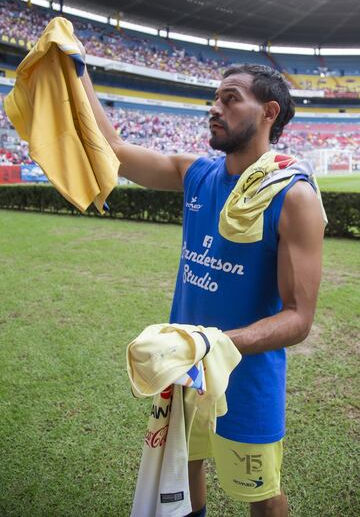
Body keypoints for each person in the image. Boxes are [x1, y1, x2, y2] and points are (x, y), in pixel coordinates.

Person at [81, 63, 324, 517]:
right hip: (185, 367)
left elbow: (298, 319)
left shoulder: (294, 196)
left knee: (262, 495)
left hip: (245, 379)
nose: (215, 108)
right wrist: (75, 68)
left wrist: (213, 344)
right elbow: (112, 149)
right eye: (215, 99)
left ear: (269, 111)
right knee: (183, 469)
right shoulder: (197, 173)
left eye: (231, 99)